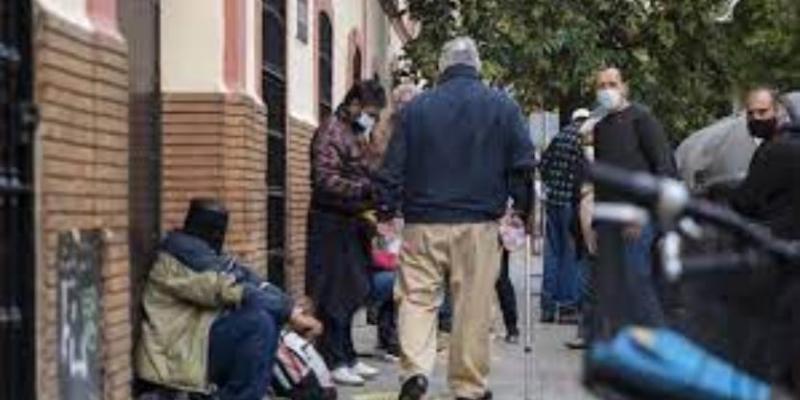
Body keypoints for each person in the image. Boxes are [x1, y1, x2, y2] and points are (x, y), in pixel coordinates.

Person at [376, 37, 535, 400]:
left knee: (416, 300)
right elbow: (523, 166)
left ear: (441, 68)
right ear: (477, 66)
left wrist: (386, 211)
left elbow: (391, 168)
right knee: (473, 306)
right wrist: (521, 213)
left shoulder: (416, 109)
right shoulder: (503, 106)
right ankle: (468, 386)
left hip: (422, 223)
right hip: (479, 224)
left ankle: (415, 373)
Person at [136, 198, 321, 400]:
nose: (219, 234)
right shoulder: (179, 257)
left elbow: (251, 280)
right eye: (215, 228)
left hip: (197, 342)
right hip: (176, 354)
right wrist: (291, 313)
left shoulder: (204, 253)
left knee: (265, 316)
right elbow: (231, 289)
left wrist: (290, 307)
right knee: (257, 323)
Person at [306, 78, 387, 386]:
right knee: (333, 294)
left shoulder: (355, 133)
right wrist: (366, 188)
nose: (373, 118)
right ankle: (333, 359)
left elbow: (365, 169)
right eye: (370, 112)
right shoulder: (330, 132)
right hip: (331, 222)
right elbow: (325, 180)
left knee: (352, 290)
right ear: (353, 105)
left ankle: (348, 355)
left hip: (352, 221)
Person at [592, 67, 675, 331]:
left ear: (624, 87)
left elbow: (664, 168)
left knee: (637, 282)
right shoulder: (601, 128)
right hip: (608, 221)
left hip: (637, 219)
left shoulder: (643, 119)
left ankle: (660, 344)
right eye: (601, 85)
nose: (607, 90)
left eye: (612, 84)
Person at [539, 108, 591, 323]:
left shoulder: (558, 137)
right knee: (572, 254)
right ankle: (568, 306)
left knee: (553, 253)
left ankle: (548, 307)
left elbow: (542, 167)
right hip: (573, 203)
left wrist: (553, 183)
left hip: (553, 203)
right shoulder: (585, 139)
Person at [731, 88, 800, 240]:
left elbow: (745, 202)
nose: (756, 118)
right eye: (750, 113)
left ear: (779, 111)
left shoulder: (773, 150)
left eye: (762, 112)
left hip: (784, 245)